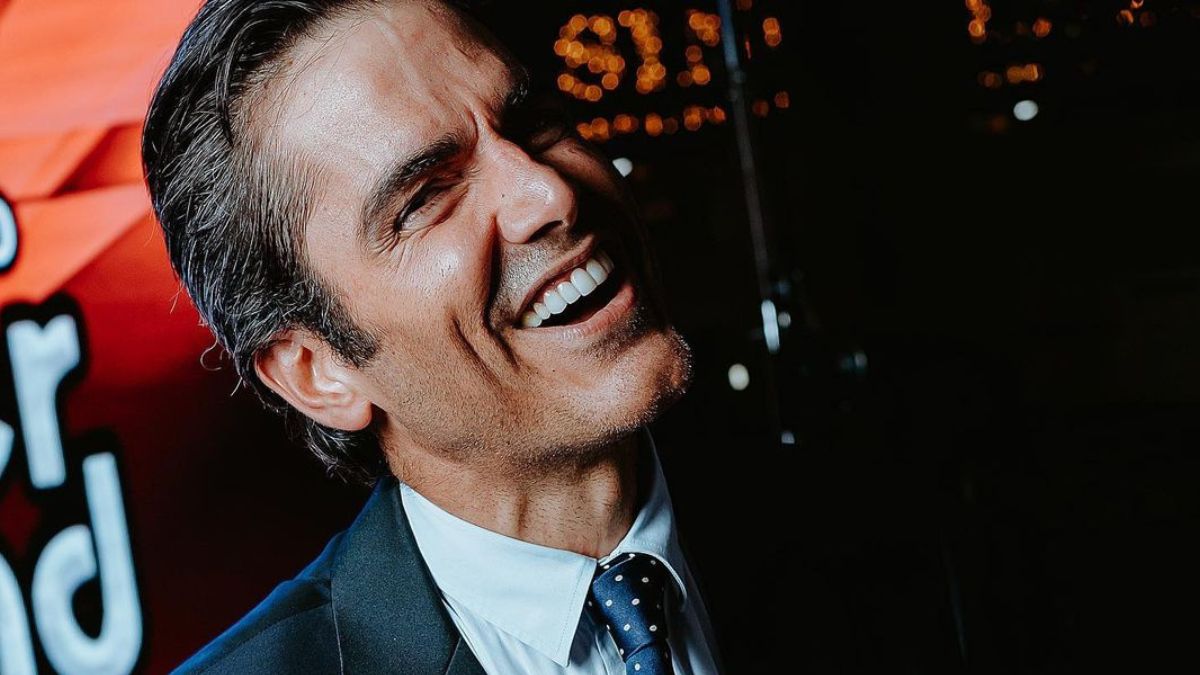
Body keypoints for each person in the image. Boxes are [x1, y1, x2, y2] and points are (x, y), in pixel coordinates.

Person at [143, 0, 724, 673]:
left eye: (532, 123)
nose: (549, 193)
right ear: (316, 372)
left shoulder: (825, 508)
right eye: (425, 197)